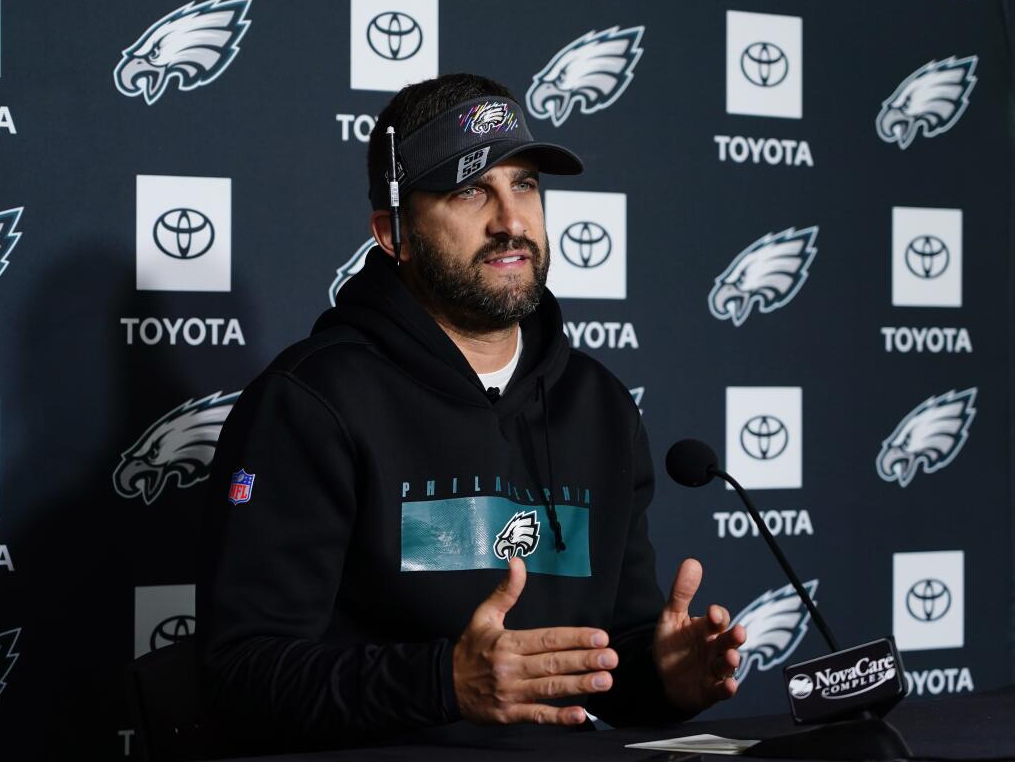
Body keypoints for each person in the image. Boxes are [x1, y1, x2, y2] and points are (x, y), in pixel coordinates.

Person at [197, 73, 746, 755]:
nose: (511, 220)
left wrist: (664, 678)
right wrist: (445, 683)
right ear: (393, 232)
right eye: (469, 190)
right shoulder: (313, 400)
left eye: (524, 185)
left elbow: (607, 661)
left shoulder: (600, 406)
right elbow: (241, 676)